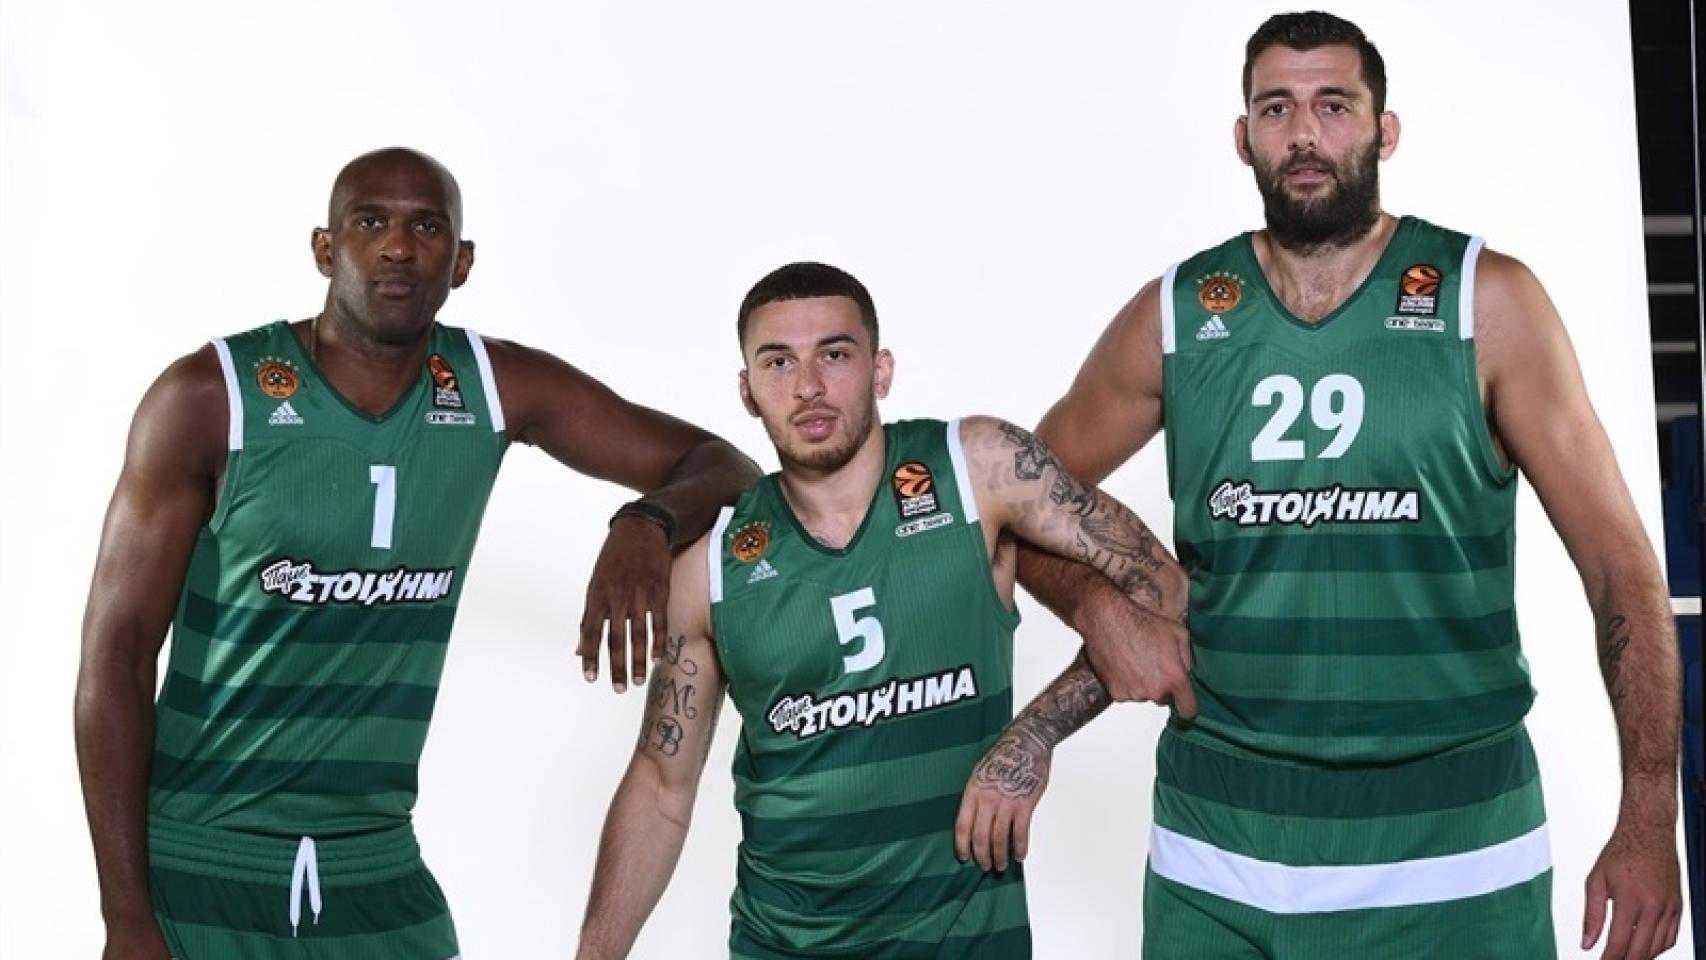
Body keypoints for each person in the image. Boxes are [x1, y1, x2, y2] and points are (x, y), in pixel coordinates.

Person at [965, 11, 1686, 960]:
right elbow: (1009, 506)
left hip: (1456, 852)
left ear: (1384, 130)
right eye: (1277, 108)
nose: (1306, 134)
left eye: (1334, 105)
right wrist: (1104, 611)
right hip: (1221, 850)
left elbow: (1620, 573)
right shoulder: (1180, 316)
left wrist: (1646, 822)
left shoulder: (1488, 301)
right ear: (1244, 137)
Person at [73, 147, 761, 959]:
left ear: (461, 261)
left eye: (426, 226)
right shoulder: (212, 395)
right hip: (205, 860)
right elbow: (114, 659)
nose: (398, 246)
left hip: (376, 870)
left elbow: (727, 467)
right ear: (326, 249)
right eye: (371, 222)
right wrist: (125, 914)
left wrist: (644, 523)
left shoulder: (492, 386)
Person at [574, 261, 1188, 959]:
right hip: (785, 942)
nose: (808, 386)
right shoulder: (712, 565)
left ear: (881, 370)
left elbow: (1163, 590)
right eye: (779, 362)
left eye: (835, 354)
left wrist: (1032, 738)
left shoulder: (977, 470)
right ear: (747, 391)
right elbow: (661, 785)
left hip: (967, 943)